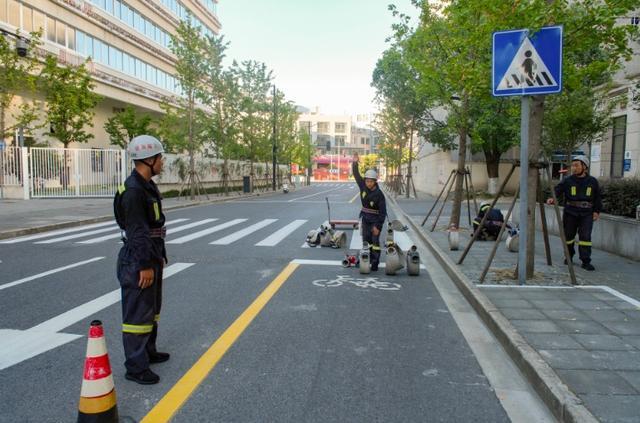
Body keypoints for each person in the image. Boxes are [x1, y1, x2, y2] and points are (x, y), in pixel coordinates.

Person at [114, 135, 169, 385]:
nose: (163, 162)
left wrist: (157, 258)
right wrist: (145, 265)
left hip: (151, 253)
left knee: (151, 309)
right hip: (138, 259)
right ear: (149, 159)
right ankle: (136, 367)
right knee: (137, 315)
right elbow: (137, 231)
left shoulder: (146, 185)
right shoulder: (134, 191)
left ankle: (148, 351)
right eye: (160, 157)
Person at [546, 155, 602, 271]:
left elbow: (597, 197)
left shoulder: (592, 181)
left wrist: (596, 211)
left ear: (584, 167)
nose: (573, 168)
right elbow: (557, 190)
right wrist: (552, 198)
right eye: (573, 165)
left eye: (576, 165)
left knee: (585, 237)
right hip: (571, 212)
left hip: (587, 213)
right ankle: (569, 256)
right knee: (569, 236)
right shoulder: (568, 180)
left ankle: (586, 261)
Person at [352, 153, 387, 271]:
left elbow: (383, 212)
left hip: (375, 220)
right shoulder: (363, 187)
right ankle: (368, 259)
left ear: (375, 181)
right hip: (365, 219)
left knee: (375, 242)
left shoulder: (379, 194)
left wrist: (378, 226)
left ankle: (375, 262)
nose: (368, 183)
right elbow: (356, 175)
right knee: (366, 241)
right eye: (367, 181)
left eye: (371, 181)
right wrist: (355, 163)